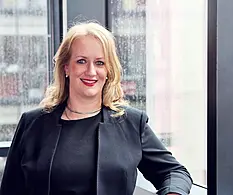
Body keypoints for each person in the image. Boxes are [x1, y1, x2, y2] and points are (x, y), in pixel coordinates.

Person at [0, 22, 192, 195]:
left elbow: (175, 172)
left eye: (99, 63)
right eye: (81, 61)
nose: (91, 71)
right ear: (66, 67)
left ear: (108, 71)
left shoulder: (132, 123)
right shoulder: (32, 123)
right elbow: (10, 189)